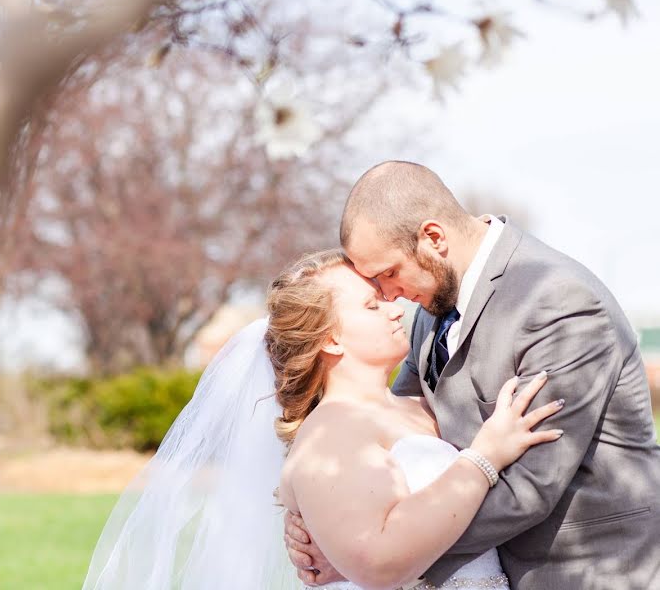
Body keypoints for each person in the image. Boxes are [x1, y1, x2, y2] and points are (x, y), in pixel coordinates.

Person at [82, 249, 561, 590]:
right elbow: (376, 562)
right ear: (330, 341)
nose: (396, 309)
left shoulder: (420, 406)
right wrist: (484, 457)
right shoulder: (328, 436)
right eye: (372, 305)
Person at [286, 161, 660, 589]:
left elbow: (533, 482)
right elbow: (391, 424)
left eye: (389, 273)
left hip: (588, 572)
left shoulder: (557, 300)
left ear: (433, 238)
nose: (389, 294)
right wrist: (327, 525)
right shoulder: (430, 310)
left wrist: (383, 558)